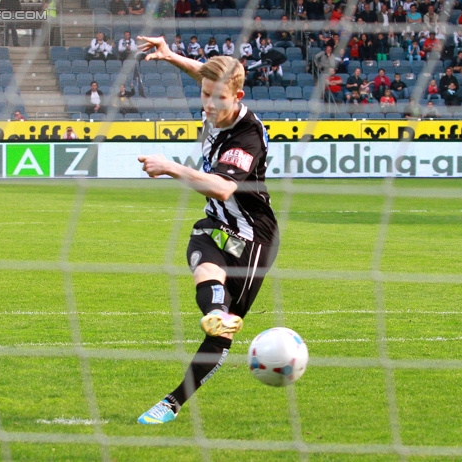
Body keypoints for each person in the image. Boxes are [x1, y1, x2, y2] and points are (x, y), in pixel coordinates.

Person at [135, 36, 279, 425]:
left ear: (238, 96)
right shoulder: (217, 93)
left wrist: (169, 167)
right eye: (205, 96)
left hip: (252, 237)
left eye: (218, 99)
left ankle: (173, 402)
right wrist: (168, 57)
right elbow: (206, 73)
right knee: (200, 249)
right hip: (218, 222)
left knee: (220, 339)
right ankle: (215, 309)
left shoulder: (246, 136)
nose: (208, 105)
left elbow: (222, 187)